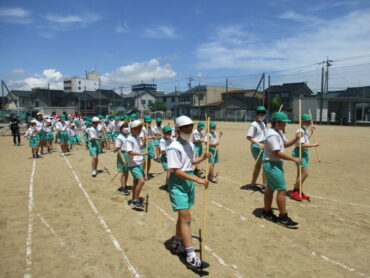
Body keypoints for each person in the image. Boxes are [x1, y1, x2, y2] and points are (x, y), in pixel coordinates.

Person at [167, 115, 210, 270]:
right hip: (178, 183)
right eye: (186, 127)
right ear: (178, 130)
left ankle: (177, 242)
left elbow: (190, 162)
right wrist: (197, 180)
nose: (189, 129)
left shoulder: (190, 145)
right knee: (186, 217)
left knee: (183, 216)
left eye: (190, 126)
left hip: (188, 181)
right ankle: (191, 256)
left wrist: (203, 157)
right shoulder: (173, 147)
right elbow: (176, 170)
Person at [262, 112, 301, 228]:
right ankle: (283, 217)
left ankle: (267, 212)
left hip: (273, 163)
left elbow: (284, 145)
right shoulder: (272, 135)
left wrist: (296, 139)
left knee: (270, 188)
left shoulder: (278, 132)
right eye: (284, 123)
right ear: (278, 123)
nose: (285, 125)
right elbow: (277, 152)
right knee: (281, 189)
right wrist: (293, 159)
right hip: (272, 164)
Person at [289, 114, 319, 201]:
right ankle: (295, 191)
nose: (309, 124)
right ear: (302, 121)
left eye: (310, 122)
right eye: (307, 122)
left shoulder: (305, 130)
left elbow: (305, 140)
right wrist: (313, 145)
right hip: (299, 153)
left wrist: (311, 132)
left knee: (299, 174)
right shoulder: (299, 131)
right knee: (305, 174)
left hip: (304, 153)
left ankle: (299, 191)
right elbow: (301, 145)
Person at [126, 120, 148, 210]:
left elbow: (139, 148)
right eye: (137, 128)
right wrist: (143, 154)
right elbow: (130, 151)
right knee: (141, 181)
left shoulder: (137, 137)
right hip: (133, 163)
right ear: (132, 129)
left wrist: (144, 142)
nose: (139, 130)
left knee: (136, 182)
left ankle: (133, 198)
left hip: (139, 162)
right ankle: (136, 200)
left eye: (140, 128)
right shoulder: (129, 139)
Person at [246, 106, 267, 188]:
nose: (262, 115)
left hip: (263, 145)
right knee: (264, 164)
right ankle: (264, 184)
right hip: (256, 146)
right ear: (257, 114)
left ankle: (254, 183)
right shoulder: (253, 125)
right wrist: (259, 144)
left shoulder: (263, 124)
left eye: (263, 113)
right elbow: (248, 137)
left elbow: (264, 135)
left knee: (259, 165)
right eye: (260, 113)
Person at [115, 123, 130, 195]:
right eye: (124, 126)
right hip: (123, 155)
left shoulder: (128, 135)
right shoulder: (119, 137)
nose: (126, 128)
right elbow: (118, 149)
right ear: (120, 128)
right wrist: (123, 159)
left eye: (127, 126)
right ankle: (123, 187)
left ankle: (125, 185)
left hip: (128, 154)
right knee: (124, 172)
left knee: (127, 171)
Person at [141, 115, 156, 180]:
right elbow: (142, 139)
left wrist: (154, 136)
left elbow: (153, 135)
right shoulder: (142, 128)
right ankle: (143, 173)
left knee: (149, 159)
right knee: (144, 160)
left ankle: (147, 172)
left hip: (150, 144)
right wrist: (147, 137)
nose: (148, 123)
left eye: (149, 122)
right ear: (144, 122)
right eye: (147, 122)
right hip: (144, 145)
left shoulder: (151, 128)